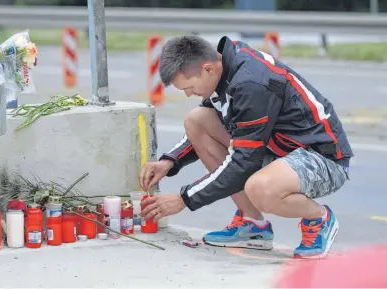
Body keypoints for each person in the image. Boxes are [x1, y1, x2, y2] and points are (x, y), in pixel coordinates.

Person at [139, 35, 353, 259]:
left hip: (322, 159)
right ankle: (253, 227)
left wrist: (184, 198)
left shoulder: (250, 83)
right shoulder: (225, 69)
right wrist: (169, 161)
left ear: (208, 69)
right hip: (278, 151)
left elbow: (242, 161)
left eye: (189, 87)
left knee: (259, 188)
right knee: (198, 119)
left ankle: (319, 218)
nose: (188, 94)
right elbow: (212, 126)